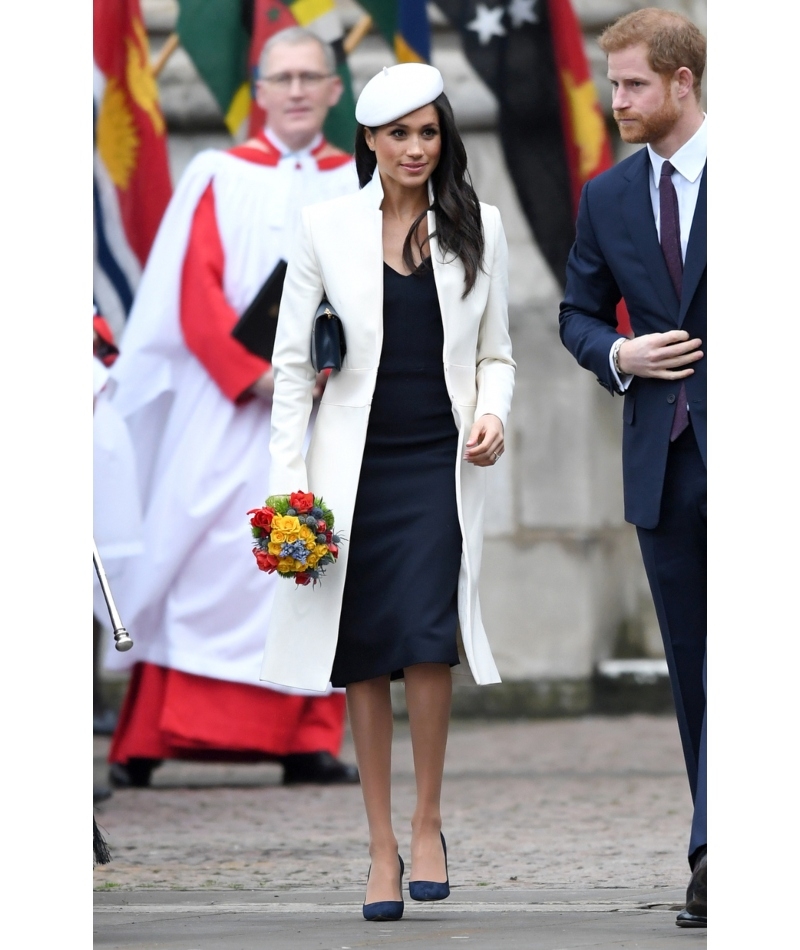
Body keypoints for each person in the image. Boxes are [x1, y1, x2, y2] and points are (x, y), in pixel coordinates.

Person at [261, 63, 515, 921]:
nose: (415, 148)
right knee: (363, 653)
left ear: (445, 138)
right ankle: (379, 847)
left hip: (438, 466)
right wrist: (288, 488)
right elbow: (292, 368)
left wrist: (493, 412)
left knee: (427, 638)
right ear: (369, 140)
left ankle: (429, 820)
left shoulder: (481, 225)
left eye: (429, 132)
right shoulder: (324, 226)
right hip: (351, 474)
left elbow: (498, 353)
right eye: (399, 133)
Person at [104, 27, 360, 788]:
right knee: (197, 553)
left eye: (311, 76)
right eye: (281, 77)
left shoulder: (358, 183)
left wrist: (325, 375)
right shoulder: (217, 173)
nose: (296, 90)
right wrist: (255, 376)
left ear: (334, 90)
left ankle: (305, 738)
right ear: (259, 86)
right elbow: (197, 289)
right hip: (228, 411)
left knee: (305, 561)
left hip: (319, 412)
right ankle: (148, 738)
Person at [558, 8, 706, 929]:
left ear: (683, 82)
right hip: (664, 468)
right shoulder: (606, 197)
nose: (617, 101)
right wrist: (621, 356)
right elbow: (574, 312)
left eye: (633, 85)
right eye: (613, 84)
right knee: (695, 669)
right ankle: (714, 850)